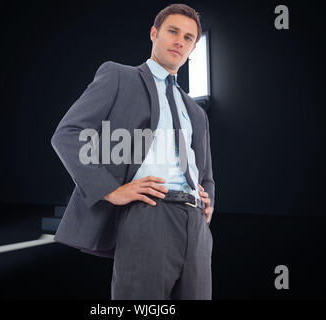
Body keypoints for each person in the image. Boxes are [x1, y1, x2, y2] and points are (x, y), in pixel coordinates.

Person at [51, 3, 215, 300]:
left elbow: (205, 173)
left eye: (189, 38)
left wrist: (207, 199)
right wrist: (111, 190)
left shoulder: (195, 111)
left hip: (197, 231)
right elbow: (67, 135)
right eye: (173, 31)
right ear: (154, 34)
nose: (180, 41)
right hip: (147, 216)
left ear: (193, 47)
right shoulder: (119, 76)